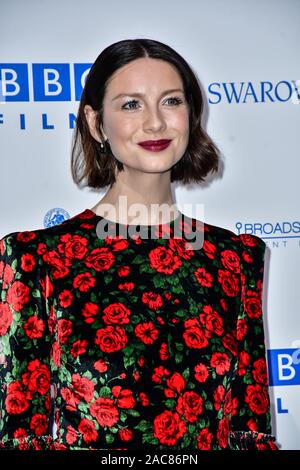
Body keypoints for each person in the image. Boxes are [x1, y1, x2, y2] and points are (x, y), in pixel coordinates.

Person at [0, 38, 279, 450]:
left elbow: (249, 433)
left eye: (171, 101)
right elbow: (23, 437)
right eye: (131, 104)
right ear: (96, 124)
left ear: (192, 115)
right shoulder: (37, 259)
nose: (155, 123)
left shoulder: (236, 259)